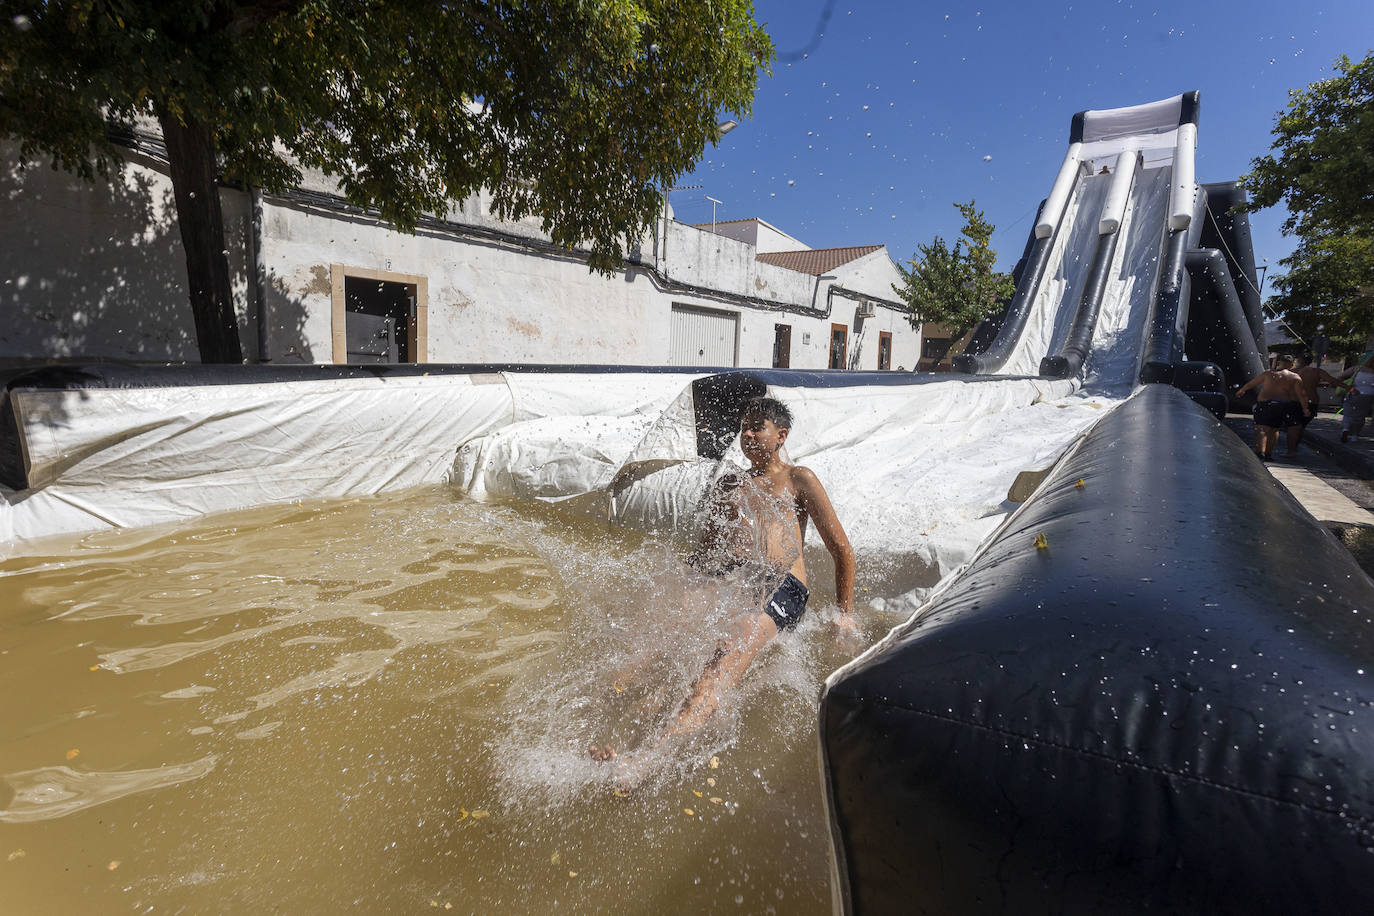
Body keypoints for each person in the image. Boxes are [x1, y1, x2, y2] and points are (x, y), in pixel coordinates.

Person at [591, 396, 855, 763]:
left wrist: (844, 615)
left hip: (781, 587)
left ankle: (649, 758)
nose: (746, 434)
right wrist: (680, 598)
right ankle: (617, 740)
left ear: (781, 435)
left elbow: (841, 550)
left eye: (757, 427)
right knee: (664, 646)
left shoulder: (798, 479)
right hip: (735, 583)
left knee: (725, 652)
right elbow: (705, 557)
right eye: (743, 427)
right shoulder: (731, 483)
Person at [1236, 355, 1309, 459]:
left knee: (1261, 428)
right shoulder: (1295, 377)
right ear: (1291, 365)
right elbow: (1302, 395)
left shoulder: (1269, 373)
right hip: (1282, 405)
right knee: (1274, 429)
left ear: (1279, 363)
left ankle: (1260, 452)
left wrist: (1241, 390)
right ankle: (1268, 454)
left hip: (1265, 404)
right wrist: (1305, 409)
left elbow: (1251, 384)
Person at [1292, 353, 1340, 447]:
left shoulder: (1292, 372)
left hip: (1295, 401)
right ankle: (1295, 445)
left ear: (1298, 361)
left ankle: (1291, 448)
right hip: (1311, 401)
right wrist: (1350, 388)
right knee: (1301, 426)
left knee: (1293, 426)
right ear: (1310, 362)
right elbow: (1333, 381)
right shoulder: (1316, 371)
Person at [1336, 351, 1374, 443]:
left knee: (1348, 413)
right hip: (1368, 396)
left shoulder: (1357, 368)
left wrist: (1346, 385)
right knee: (1360, 416)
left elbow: (1340, 376)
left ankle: (1345, 429)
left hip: (1354, 393)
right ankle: (1355, 436)